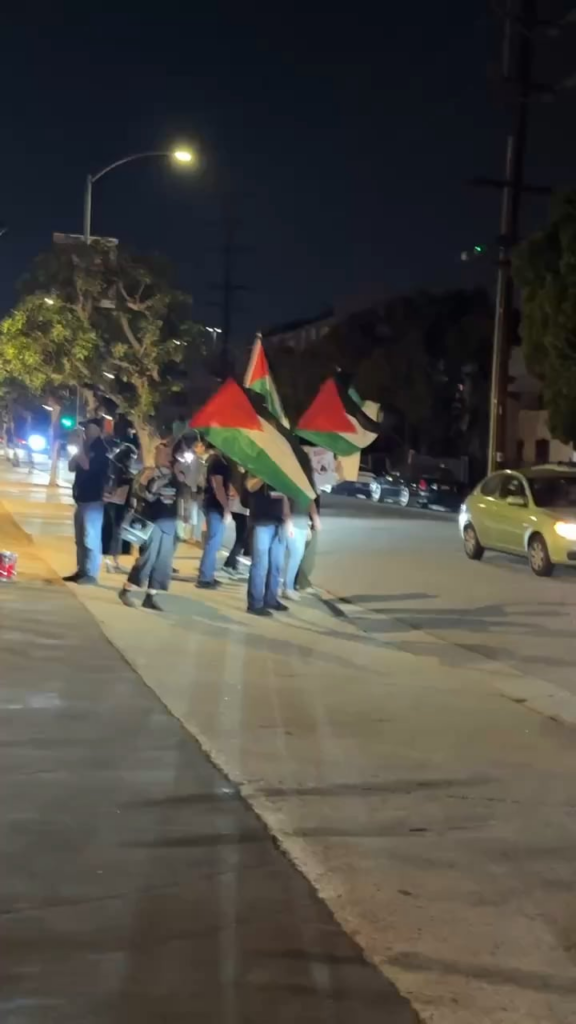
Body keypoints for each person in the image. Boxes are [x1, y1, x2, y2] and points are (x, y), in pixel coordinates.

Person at [118, 442, 184, 611]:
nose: (169, 458)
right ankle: (126, 590)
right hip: (152, 523)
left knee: (163, 562)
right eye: (165, 454)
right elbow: (148, 495)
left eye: (170, 454)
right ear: (157, 455)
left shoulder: (175, 474)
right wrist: (165, 477)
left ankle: (151, 596)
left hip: (169, 523)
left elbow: (182, 494)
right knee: (147, 559)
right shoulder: (149, 473)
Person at [64, 417, 109, 585]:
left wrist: (81, 447)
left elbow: (87, 465)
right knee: (80, 539)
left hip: (93, 499)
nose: (85, 432)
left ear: (97, 430)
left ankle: (91, 574)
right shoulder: (85, 447)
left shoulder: (100, 449)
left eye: (87, 428)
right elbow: (71, 466)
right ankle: (81, 570)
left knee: (91, 537)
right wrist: (76, 448)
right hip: (81, 499)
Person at [245, 479, 291, 616]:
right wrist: (264, 474)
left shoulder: (279, 471)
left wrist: (288, 518)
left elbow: (284, 496)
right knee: (260, 564)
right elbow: (250, 486)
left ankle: (271, 599)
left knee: (276, 565)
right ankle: (255, 604)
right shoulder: (257, 468)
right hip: (261, 521)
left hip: (279, 522)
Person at [196, 448, 231, 589]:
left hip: (211, 504)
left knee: (214, 542)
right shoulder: (217, 462)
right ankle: (205, 577)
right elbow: (219, 487)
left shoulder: (213, 460)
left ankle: (207, 574)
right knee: (213, 542)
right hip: (215, 506)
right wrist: (226, 508)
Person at [102, 441, 139, 574]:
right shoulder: (118, 469)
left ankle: (113, 559)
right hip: (117, 503)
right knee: (115, 532)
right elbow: (117, 486)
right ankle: (111, 560)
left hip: (118, 503)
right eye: (132, 458)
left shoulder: (117, 468)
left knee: (115, 532)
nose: (133, 461)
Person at [283, 498, 321, 600]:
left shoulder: (305, 488)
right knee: (294, 557)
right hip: (293, 525)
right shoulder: (291, 488)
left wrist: (314, 519)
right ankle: (288, 587)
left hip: (302, 524)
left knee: (295, 558)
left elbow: (310, 502)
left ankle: (288, 587)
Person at [221, 465, 250, 578]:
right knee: (241, 538)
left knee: (241, 538)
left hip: (237, 509)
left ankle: (233, 564)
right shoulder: (243, 476)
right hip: (241, 510)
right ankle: (229, 564)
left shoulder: (236, 474)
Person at [296, 495, 321, 592]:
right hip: (303, 522)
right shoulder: (307, 482)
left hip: (305, 521)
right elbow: (310, 500)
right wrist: (315, 520)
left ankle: (298, 583)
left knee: (302, 556)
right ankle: (301, 583)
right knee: (303, 556)